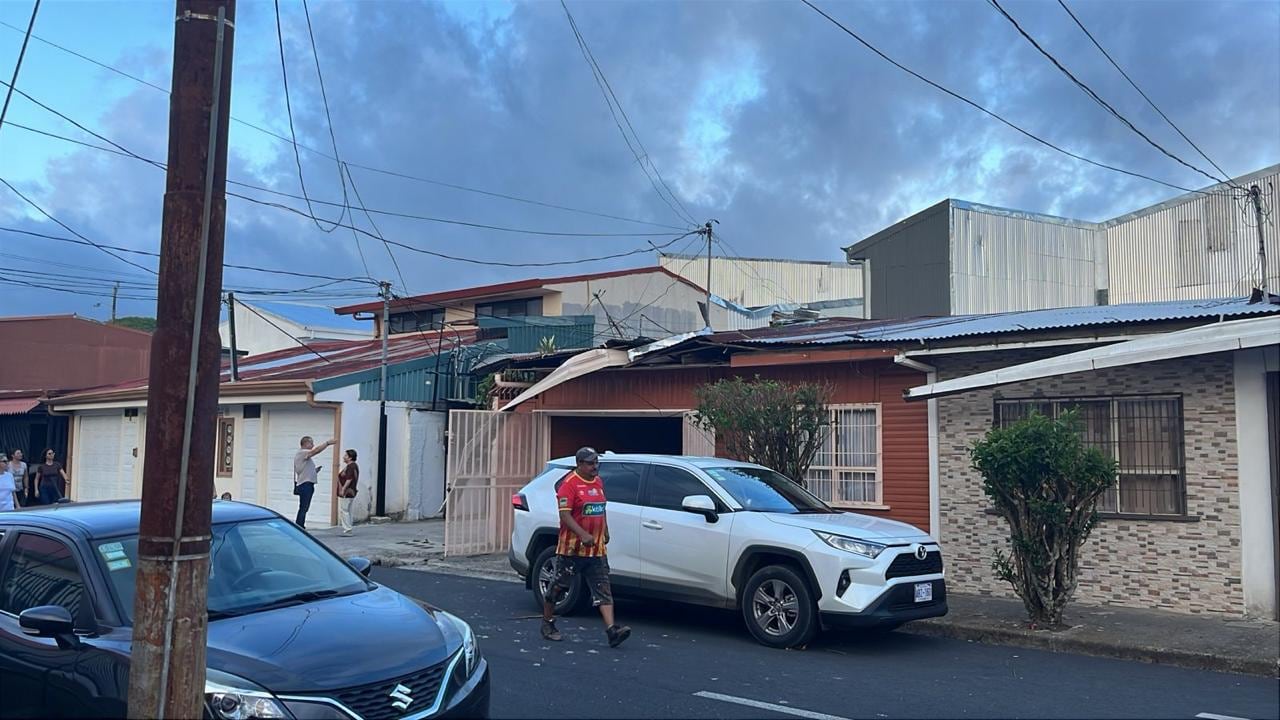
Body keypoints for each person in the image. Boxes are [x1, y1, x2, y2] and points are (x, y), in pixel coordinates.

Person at [541, 447, 631, 648]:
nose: (595, 467)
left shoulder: (598, 482)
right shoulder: (569, 485)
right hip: (572, 550)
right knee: (558, 587)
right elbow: (565, 515)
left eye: (596, 462)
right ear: (579, 464)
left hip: (596, 550)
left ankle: (612, 631)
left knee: (603, 589)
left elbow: (601, 508)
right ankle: (548, 623)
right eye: (590, 463)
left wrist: (605, 530)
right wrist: (582, 534)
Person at [293, 436, 334, 528]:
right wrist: (327, 443)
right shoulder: (302, 453)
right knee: (304, 507)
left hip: (306, 484)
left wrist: (315, 471)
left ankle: (300, 524)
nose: (313, 445)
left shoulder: (303, 455)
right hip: (305, 485)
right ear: (306, 443)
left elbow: (302, 470)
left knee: (304, 507)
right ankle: (299, 525)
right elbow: (316, 451)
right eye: (311, 443)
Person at [337, 449, 359, 535]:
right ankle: (349, 527)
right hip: (351, 491)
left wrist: (343, 489)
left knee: (344, 510)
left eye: (346, 456)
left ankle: (347, 529)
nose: (343, 457)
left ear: (350, 458)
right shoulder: (352, 466)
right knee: (348, 510)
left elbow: (349, 479)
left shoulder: (351, 466)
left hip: (347, 492)